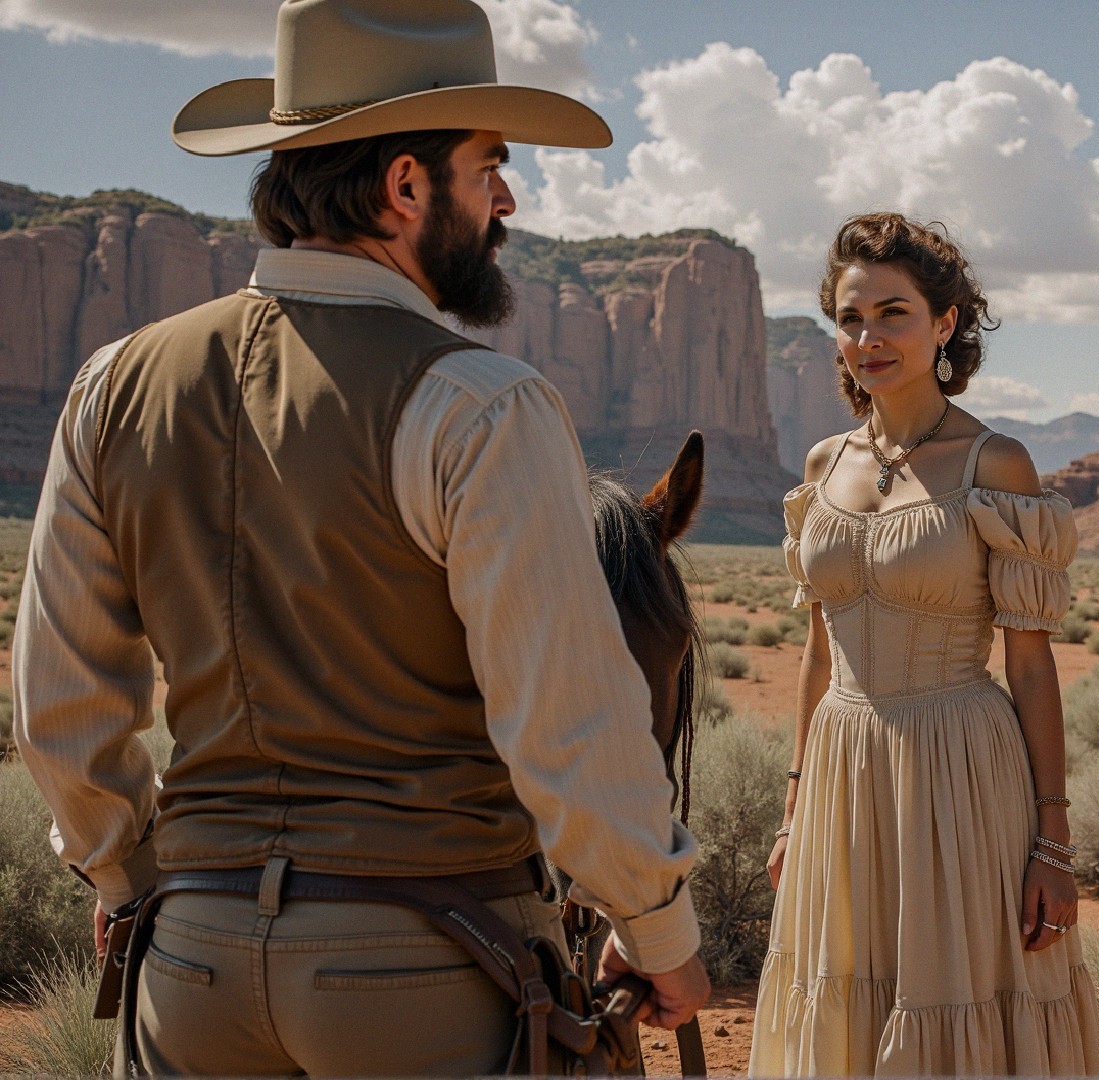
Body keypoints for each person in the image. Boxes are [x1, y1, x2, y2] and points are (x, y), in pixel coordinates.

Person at [12, 2, 706, 1074]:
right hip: (432, 967)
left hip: (190, 969)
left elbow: (59, 703)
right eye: (489, 168)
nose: (507, 199)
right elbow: (569, 722)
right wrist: (658, 930)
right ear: (406, 187)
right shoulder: (482, 404)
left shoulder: (113, 385)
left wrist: (127, 878)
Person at [748, 213, 1099, 1076]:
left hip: (960, 770)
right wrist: (794, 810)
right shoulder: (822, 465)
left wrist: (1052, 844)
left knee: (961, 994)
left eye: (893, 314)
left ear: (944, 324)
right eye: (851, 318)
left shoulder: (996, 464)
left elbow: (1029, 663)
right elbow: (818, 653)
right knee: (845, 991)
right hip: (841, 767)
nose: (868, 338)